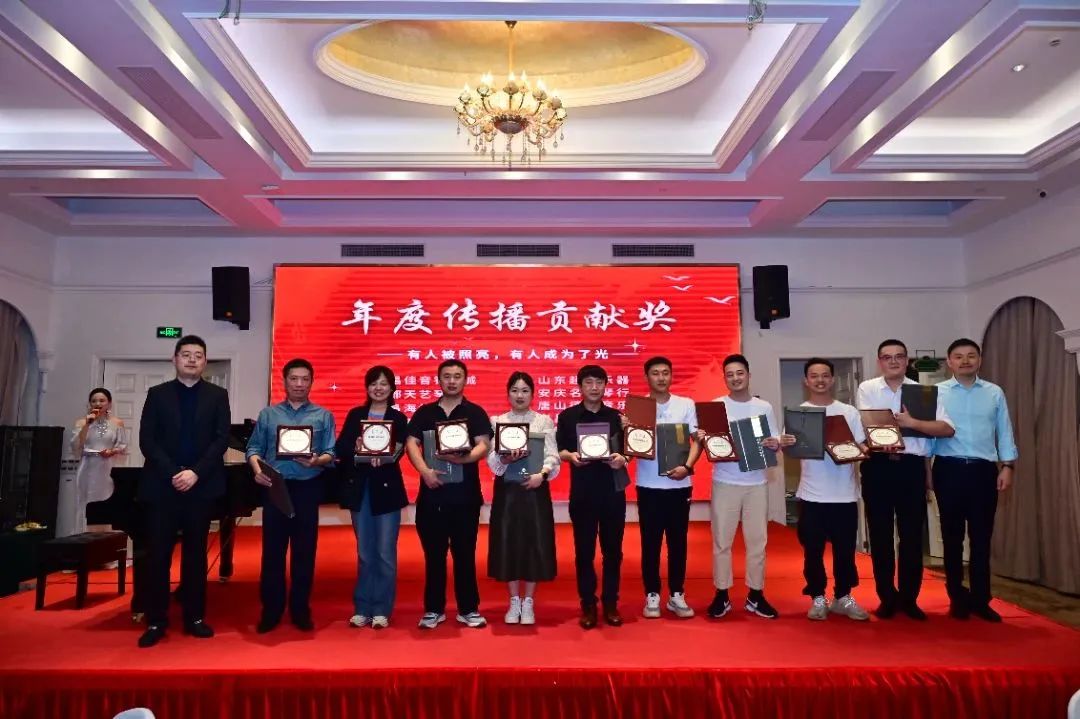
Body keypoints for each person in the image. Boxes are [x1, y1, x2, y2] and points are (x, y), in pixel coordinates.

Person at [137, 335, 230, 648]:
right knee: (158, 556)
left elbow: (221, 440)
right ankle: (156, 621)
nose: (192, 360)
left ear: (205, 362)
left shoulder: (217, 395)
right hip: (162, 487)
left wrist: (195, 472)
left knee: (195, 556)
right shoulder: (157, 394)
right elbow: (147, 441)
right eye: (186, 354)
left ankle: (195, 618)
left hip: (200, 487)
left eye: (198, 355)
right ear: (175, 359)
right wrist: (174, 473)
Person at [856, 339, 954, 620]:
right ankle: (887, 597)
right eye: (887, 357)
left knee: (911, 537)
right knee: (880, 535)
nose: (893, 361)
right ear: (879, 362)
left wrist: (913, 423)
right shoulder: (868, 388)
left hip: (911, 468)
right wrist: (884, 436)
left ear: (907, 360)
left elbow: (947, 428)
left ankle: (910, 599)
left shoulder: (924, 392)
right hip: (878, 466)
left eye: (899, 356)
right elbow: (868, 425)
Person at [247, 358, 336, 633]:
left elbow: (331, 453)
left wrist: (317, 461)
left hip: (307, 488)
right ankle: (271, 611)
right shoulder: (268, 415)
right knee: (272, 553)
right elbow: (253, 449)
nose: (299, 384)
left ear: (311, 382)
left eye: (305, 379)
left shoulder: (323, 415)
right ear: (284, 381)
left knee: (304, 553)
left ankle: (300, 611)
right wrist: (256, 470)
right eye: (294, 379)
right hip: (276, 487)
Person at [932, 338, 1017, 622]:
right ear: (949, 362)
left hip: (983, 471)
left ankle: (981, 600)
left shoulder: (994, 392)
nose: (965, 361)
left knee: (981, 538)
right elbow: (928, 434)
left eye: (971, 356)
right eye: (958, 356)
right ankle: (957, 597)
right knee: (952, 537)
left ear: (979, 360)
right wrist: (926, 471)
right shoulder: (937, 392)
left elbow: (1004, 430)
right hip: (948, 469)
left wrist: (1008, 465)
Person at [701, 353, 790, 620]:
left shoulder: (763, 407)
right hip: (725, 482)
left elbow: (773, 439)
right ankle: (721, 594)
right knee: (721, 542)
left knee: (757, 542)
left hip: (756, 484)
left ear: (748, 375)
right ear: (724, 378)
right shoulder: (716, 406)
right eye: (730, 374)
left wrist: (775, 443)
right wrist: (704, 438)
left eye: (740, 373)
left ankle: (756, 594)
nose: (735, 378)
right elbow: (710, 443)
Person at [405, 360, 492, 630]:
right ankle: (433, 609)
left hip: (465, 497)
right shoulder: (425, 413)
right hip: (432, 496)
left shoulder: (475, 412)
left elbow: (484, 445)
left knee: (465, 555)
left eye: (457, 376)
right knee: (434, 556)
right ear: (439, 380)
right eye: (447, 376)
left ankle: (468, 609)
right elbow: (411, 444)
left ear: (465, 380)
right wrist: (425, 472)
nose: (452, 381)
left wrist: (464, 460)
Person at [794, 358, 870, 621]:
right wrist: (783, 443)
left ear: (833, 379)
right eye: (814, 376)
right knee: (813, 552)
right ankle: (817, 596)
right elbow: (793, 447)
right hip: (811, 494)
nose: (820, 380)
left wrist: (864, 450)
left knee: (845, 552)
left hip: (844, 494)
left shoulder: (848, 411)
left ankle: (843, 596)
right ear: (806, 381)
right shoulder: (799, 413)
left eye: (825, 375)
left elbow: (861, 445)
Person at [334, 366, 409, 629]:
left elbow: (400, 449)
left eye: (384, 383)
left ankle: (381, 609)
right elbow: (341, 447)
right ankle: (362, 607)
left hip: (387, 490)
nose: (379, 388)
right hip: (360, 489)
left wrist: (387, 456)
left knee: (385, 553)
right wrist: (356, 447)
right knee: (365, 552)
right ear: (367, 387)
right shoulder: (356, 414)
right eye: (374, 383)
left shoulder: (399, 418)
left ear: (392, 388)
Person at [556, 365, 630, 629]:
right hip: (583, 493)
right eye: (589, 382)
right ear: (580, 386)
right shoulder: (567, 417)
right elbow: (559, 450)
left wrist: (624, 458)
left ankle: (610, 602)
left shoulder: (618, 417)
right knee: (584, 552)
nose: (594, 387)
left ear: (606, 385)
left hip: (612, 493)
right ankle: (588, 603)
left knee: (613, 552)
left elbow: (630, 450)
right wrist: (570, 456)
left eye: (599, 382)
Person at [486, 371, 560, 625]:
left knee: (534, 543)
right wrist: (505, 459)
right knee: (508, 542)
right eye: (515, 390)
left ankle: (528, 601)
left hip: (535, 490)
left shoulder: (543, 421)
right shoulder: (498, 421)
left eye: (525, 390)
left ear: (533, 394)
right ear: (508, 394)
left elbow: (552, 456)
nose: (520, 395)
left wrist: (542, 474)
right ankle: (514, 600)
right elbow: (492, 461)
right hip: (508, 492)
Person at [634, 357, 701, 620]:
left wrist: (687, 466)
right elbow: (633, 445)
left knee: (678, 543)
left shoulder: (686, 404)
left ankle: (676, 594)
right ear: (646, 378)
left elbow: (697, 440)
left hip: (679, 485)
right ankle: (651, 594)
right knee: (650, 543)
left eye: (665, 373)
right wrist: (627, 430)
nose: (661, 378)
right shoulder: (639, 406)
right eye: (655, 373)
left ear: (671, 376)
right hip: (648, 485)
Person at [70, 388, 126, 535]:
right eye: (94, 401)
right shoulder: (82, 422)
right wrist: (87, 424)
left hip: (108, 467)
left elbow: (122, 445)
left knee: (108, 500)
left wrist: (112, 451)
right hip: (87, 467)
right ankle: (83, 537)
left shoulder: (117, 423)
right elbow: (77, 445)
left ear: (109, 403)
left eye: (102, 400)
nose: (98, 403)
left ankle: (106, 539)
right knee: (86, 502)